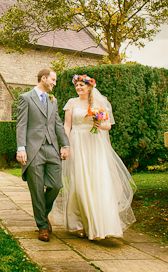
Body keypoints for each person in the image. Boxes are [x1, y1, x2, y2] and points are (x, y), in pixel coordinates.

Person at [61, 74, 135, 240]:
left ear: (89, 87)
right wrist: (66, 145)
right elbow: (67, 125)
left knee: (99, 181)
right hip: (78, 143)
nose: (78, 88)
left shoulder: (100, 103)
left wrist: (100, 125)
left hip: (95, 144)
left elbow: (108, 125)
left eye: (81, 85)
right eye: (76, 85)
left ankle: (103, 224)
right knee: (79, 182)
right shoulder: (71, 103)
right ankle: (79, 223)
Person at [16, 68, 70, 242]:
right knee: (37, 189)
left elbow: (58, 124)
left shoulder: (52, 100)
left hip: (52, 148)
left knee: (56, 185)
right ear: (44, 78)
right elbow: (21, 125)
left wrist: (66, 144)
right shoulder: (26, 98)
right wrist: (21, 148)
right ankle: (42, 226)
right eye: (53, 80)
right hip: (34, 150)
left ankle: (42, 214)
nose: (54, 83)